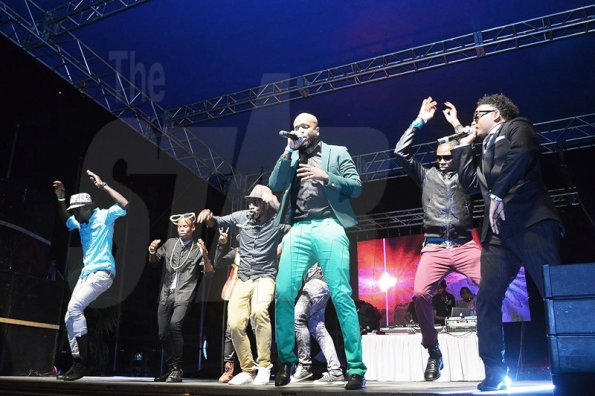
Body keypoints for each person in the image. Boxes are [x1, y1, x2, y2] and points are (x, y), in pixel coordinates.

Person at [450, 94, 562, 391]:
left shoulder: (517, 126)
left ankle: (572, 364)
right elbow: (470, 185)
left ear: (497, 114)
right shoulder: (482, 146)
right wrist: (464, 145)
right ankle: (495, 373)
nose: (473, 120)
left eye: (477, 114)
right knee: (487, 300)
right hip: (497, 235)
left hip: (530, 222)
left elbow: (523, 154)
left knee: (554, 295)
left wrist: (498, 193)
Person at [269, 112, 366, 390]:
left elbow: (356, 187)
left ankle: (356, 368)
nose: (299, 130)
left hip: (329, 224)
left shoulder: (336, 153)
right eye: (296, 126)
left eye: (305, 126)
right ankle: (285, 362)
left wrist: (327, 177)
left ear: (317, 130)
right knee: (284, 293)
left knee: (341, 294)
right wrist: (288, 150)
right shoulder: (291, 155)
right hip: (298, 228)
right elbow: (275, 185)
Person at [394, 97, 481, 381]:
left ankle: (493, 352)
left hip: (465, 244)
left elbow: (473, 146)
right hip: (434, 247)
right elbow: (400, 152)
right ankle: (433, 350)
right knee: (420, 294)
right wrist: (420, 120)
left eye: (448, 157)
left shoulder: (467, 176)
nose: (443, 162)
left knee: (493, 287)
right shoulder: (427, 175)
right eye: (439, 157)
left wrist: (457, 124)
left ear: (456, 156)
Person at [197, 185, 285, 385]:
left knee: (259, 311)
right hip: (244, 277)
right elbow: (217, 221)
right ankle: (248, 369)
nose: (251, 206)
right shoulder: (241, 217)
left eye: (256, 202)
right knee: (235, 323)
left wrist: (275, 203)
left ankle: (264, 365)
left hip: (265, 276)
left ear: (265, 204)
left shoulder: (276, 220)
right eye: (250, 202)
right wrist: (209, 216)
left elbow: (294, 225)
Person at [52, 170, 128, 381]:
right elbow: (66, 220)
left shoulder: (104, 215)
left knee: (75, 308)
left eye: (77, 211)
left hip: (102, 273)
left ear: (88, 207)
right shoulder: (81, 222)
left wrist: (103, 185)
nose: (75, 215)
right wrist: (61, 198)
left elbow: (124, 204)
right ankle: (77, 361)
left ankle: (83, 362)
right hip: (87, 275)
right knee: (70, 315)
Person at [147, 212, 213, 383]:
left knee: (175, 325)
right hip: (166, 293)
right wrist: (152, 251)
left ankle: (177, 369)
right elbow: (153, 262)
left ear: (192, 228)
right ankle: (170, 369)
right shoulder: (170, 244)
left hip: (184, 293)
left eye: (185, 226)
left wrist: (205, 255)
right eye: (179, 226)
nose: (182, 229)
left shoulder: (196, 248)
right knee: (162, 333)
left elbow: (209, 273)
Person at [291, 264, 344, 384]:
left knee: (297, 317)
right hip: (320, 282)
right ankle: (335, 371)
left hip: (316, 282)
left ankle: (305, 365)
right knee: (318, 328)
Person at [212, 228, 239, 383]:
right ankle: (229, 367)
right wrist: (221, 245)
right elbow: (218, 262)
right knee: (231, 329)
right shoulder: (237, 251)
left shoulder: (261, 248)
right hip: (235, 292)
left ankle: (259, 365)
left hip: (256, 290)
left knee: (256, 328)